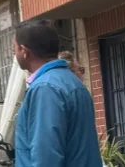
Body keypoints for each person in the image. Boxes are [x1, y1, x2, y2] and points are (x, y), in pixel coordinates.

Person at [12, 20, 102, 167]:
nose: (14, 54)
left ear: (24, 51)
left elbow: (46, 155)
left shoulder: (45, 88)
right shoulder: (72, 82)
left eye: (14, 48)